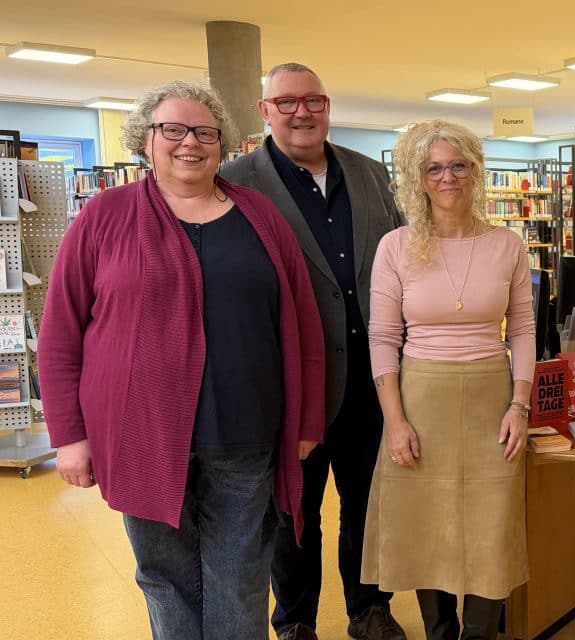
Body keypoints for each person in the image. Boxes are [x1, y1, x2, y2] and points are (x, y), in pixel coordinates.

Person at [39, 80, 325, 639]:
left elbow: (304, 327)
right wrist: (70, 436)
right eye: (173, 129)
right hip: (139, 436)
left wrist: (306, 421)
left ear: (222, 144)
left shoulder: (260, 217)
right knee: (164, 577)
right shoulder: (103, 217)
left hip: (246, 436)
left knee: (240, 577)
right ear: (146, 140)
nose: (189, 142)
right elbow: (60, 334)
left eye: (204, 132)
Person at [220, 63, 406, 640]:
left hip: (373, 380)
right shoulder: (235, 182)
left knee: (369, 505)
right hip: (290, 382)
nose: (302, 112)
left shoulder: (372, 175)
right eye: (287, 101)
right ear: (264, 109)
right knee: (293, 513)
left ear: (327, 105)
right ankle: (295, 619)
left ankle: (371, 609)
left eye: (313, 100)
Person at [362, 119, 534, 640]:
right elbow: (382, 338)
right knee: (426, 520)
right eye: (433, 168)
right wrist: (395, 420)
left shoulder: (508, 244)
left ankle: (479, 633)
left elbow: (524, 329)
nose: (447, 177)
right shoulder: (396, 246)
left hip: (491, 397)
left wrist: (520, 406)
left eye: (458, 165)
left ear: (475, 170)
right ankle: (440, 631)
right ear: (417, 178)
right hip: (420, 397)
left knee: (492, 520)